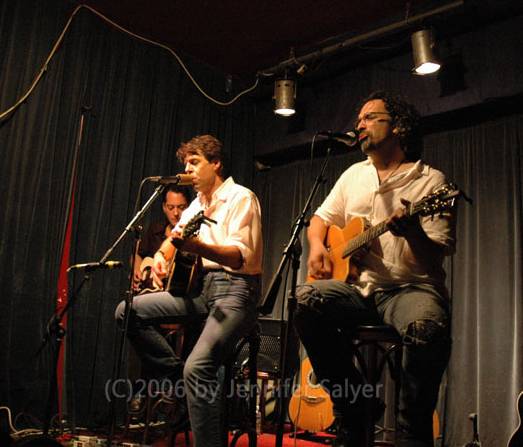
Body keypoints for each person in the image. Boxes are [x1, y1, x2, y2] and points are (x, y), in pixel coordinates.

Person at [293, 91, 456, 447]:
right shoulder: (354, 174)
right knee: (303, 299)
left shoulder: (431, 183)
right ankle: (354, 404)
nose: (359, 125)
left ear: (396, 125)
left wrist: (412, 232)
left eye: (369, 118)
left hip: (411, 287)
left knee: (426, 327)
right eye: (358, 120)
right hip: (358, 289)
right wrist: (318, 248)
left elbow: (433, 258)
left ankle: (412, 431)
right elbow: (320, 219)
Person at [115, 134, 263, 447]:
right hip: (202, 291)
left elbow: (238, 257)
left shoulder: (241, 197)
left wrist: (198, 247)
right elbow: (173, 240)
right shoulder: (197, 204)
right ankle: (177, 376)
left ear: (216, 163)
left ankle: (190, 383)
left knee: (199, 368)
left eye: (195, 162)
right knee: (128, 310)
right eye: (186, 164)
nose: (188, 169)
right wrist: (158, 259)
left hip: (236, 292)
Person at [132, 184, 191, 292]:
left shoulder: (192, 236)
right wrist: (136, 271)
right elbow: (138, 253)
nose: (176, 213)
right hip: (147, 290)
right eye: (171, 207)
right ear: (164, 207)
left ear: (189, 207)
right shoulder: (155, 230)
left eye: (181, 207)